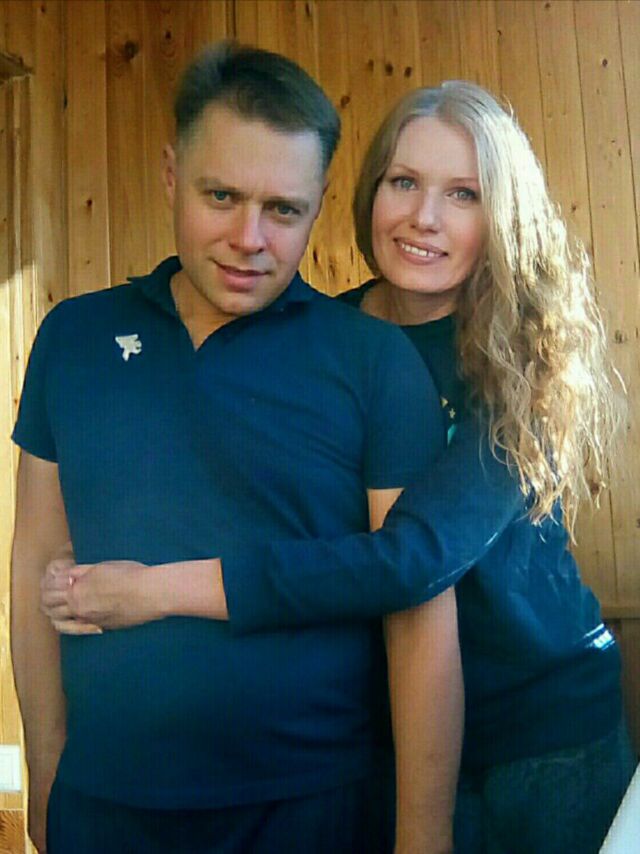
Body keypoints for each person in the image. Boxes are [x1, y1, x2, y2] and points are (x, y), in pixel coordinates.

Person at [44, 80, 637, 852]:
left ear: (503, 218)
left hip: (542, 740)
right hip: (387, 737)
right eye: (404, 182)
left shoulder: (525, 365)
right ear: (364, 194)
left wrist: (152, 590)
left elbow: (409, 560)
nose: (425, 217)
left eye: (463, 194)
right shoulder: (331, 341)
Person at [13, 44, 463, 854]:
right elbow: (35, 559)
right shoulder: (72, 337)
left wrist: (423, 837)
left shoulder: (371, 360)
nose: (249, 237)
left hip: (313, 809)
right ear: (171, 175)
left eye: (283, 209)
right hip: (105, 805)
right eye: (220, 196)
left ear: (318, 207)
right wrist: (46, 776)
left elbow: (419, 615)